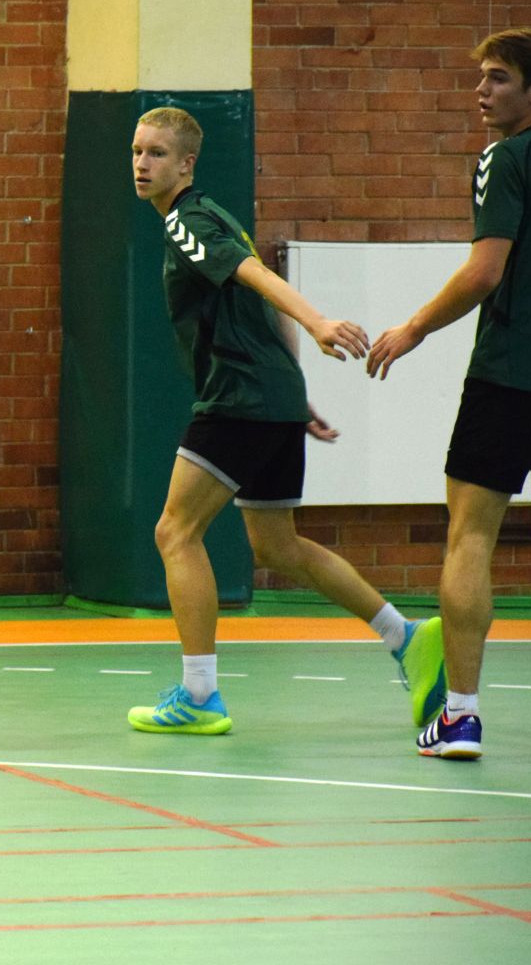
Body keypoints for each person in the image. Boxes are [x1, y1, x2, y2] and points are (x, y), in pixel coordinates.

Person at [126, 106, 445, 736]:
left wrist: (318, 322)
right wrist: (292, 396)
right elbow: (258, 292)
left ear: (187, 164)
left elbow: (254, 274)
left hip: (237, 396)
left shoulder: (188, 221)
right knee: (277, 545)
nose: (141, 164)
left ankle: (199, 695)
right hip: (270, 394)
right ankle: (405, 636)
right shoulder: (217, 215)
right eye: (137, 151)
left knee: (175, 532)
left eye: (156, 153)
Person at [367, 28, 531, 761]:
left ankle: (459, 716)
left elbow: (485, 271)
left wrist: (414, 328)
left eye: (498, 78)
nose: (480, 91)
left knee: (471, 534)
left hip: (509, 375)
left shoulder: (505, 157)